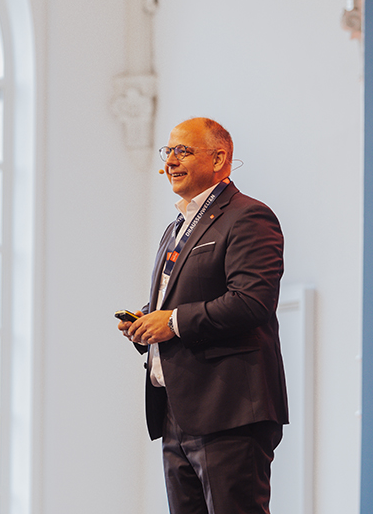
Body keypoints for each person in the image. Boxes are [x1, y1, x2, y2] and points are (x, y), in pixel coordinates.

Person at [117, 117, 288, 514]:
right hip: (177, 409)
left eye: (183, 151)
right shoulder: (176, 227)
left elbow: (251, 302)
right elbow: (180, 301)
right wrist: (146, 321)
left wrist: (172, 321)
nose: (170, 162)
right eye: (168, 151)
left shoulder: (248, 217)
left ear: (219, 158)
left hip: (228, 411)